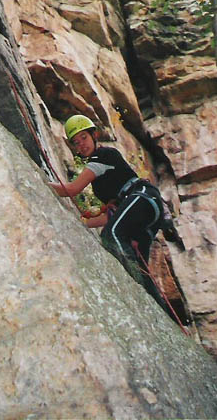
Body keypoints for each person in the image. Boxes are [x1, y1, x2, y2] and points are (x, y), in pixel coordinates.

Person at [51, 114, 176, 320]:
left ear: (94, 135)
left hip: (142, 197)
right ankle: (160, 314)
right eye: (75, 142)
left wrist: (40, 181)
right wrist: (82, 223)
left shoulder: (103, 156)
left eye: (83, 137)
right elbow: (112, 217)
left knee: (111, 236)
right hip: (142, 214)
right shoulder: (101, 183)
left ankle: (134, 278)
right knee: (142, 272)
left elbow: (71, 189)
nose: (81, 145)